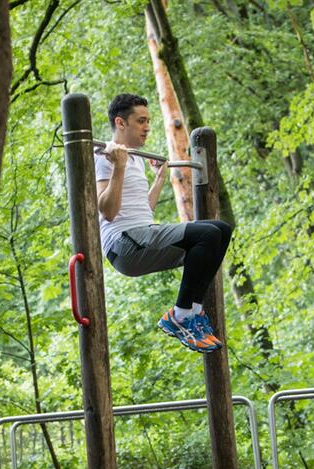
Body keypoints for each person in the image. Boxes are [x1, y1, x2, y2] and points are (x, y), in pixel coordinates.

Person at [95, 93, 232, 353]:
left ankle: (192, 313)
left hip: (142, 234)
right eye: (141, 121)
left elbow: (143, 211)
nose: (147, 127)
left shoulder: (132, 157)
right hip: (123, 244)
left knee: (221, 231)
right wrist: (118, 167)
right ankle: (180, 315)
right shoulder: (105, 156)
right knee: (207, 235)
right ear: (121, 123)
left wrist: (159, 176)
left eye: (149, 121)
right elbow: (108, 212)